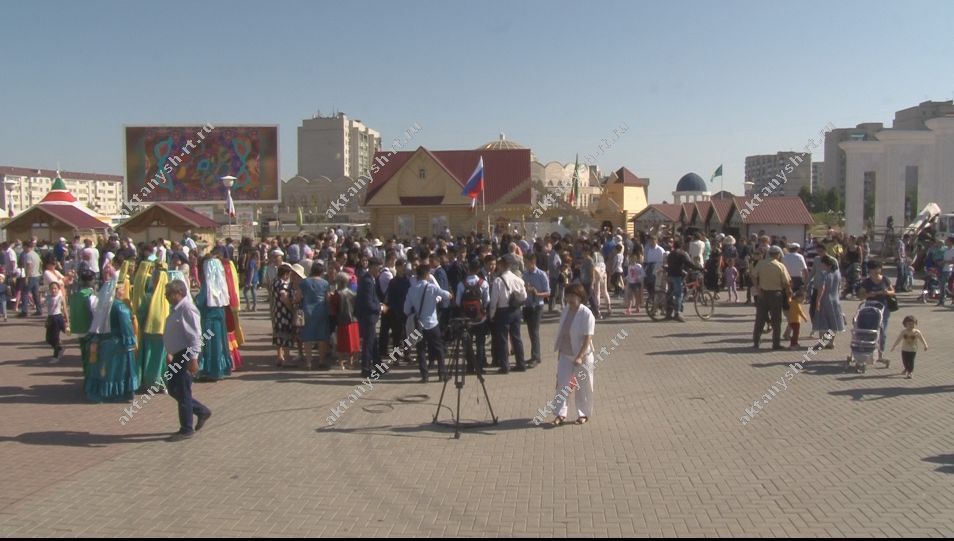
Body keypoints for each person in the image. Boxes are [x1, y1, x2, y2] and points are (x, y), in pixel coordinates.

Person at [162, 278, 212, 441]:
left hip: (185, 355)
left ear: (179, 293)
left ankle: (186, 427)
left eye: (169, 293)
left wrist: (193, 358)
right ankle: (200, 410)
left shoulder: (187, 309)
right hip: (177, 355)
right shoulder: (177, 309)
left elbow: (195, 335)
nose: (166, 296)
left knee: (182, 389)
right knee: (173, 388)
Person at [550, 283, 596, 426]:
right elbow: (562, 333)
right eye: (568, 295)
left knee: (583, 386)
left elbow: (588, 338)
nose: (569, 298)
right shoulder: (565, 310)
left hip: (582, 356)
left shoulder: (586, 313)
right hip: (565, 354)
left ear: (580, 297)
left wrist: (580, 356)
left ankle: (583, 414)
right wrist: (559, 353)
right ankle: (560, 414)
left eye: (572, 296)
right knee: (562, 385)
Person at [85, 279, 139, 403]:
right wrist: (131, 342)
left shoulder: (103, 306)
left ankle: (103, 391)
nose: (123, 292)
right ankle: (117, 393)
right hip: (118, 343)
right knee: (118, 369)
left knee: (105, 369)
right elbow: (126, 326)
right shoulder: (120, 307)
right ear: (116, 291)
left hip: (103, 342)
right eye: (121, 289)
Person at [405, 264, 452, 382]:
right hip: (432, 324)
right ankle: (442, 374)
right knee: (438, 349)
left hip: (418, 325)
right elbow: (446, 296)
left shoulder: (411, 289)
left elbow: (405, 309)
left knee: (420, 350)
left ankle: (424, 376)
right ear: (427, 275)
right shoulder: (432, 288)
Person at [194, 257, 234, 380]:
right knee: (220, 343)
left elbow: (200, 302)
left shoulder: (207, 285)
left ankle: (209, 370)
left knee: (209, 344)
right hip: (219, 317)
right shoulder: (221, 284)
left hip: (208, 319)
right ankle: (219, 368)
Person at [488, 257, 528, 373]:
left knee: (503, 339)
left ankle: (505, 366)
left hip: (502, 311)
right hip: (515, 310)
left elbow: (494, 301)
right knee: (516, 337)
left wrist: (492, 314)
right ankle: (521, 363)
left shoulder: (498, 281)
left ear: (501, 266)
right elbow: (524, 296)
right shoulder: (517, 278)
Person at [752, 245, 792, 350]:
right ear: (778, 255)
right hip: (776, 294)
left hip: (763, 294)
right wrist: (789, 293)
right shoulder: (780, 266)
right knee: (776, 320)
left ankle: (756, 342)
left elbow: (753, 275)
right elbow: (787, 282)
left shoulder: (761, 263)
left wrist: (757, 288)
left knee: (760, 319)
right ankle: (776, 343)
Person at [456, 259, 490, 374]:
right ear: (478, 269)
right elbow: (487, 300)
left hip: (466, 320)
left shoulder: (461, 284)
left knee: (467, 344)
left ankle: (470, 367)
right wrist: (483, 308)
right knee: (480, 343)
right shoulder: (483, 283)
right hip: (480, 319)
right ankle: (479, 367)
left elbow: (457, 302)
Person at [858, 260, 896, 359]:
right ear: (869, 270)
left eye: (877, 269)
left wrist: (886, 292)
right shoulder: (866, 282)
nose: (875, 271)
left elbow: (893, 292)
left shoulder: (885, 280)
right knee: (871, 330)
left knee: (882, 330)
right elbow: (861, 296)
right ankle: (869, 350)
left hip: (884, 308)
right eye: (873, 269)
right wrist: (869, 294)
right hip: (871, 308)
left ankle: (880, 352)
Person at [356, 257, 385, 379]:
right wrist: (380, 308)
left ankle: (378, 365)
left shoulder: (371, 280)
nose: (380, 270)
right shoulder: (367, 281)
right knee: (368, 343)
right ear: (372, 267)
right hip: (367, 317)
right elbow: (368, 302)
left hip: (369, 316)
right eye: (378, 267)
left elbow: (373, 298)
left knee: (373, 342)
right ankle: (366, 368)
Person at [299, 263, 331, 370]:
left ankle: (308, 362)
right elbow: (327, 298)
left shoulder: (304, 282)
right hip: (321, 310)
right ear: (321, 272)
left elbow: (298, 296)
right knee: (322, 337)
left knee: (307, 337)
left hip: (307, 310)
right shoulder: (325, 283)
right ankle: (321, 361)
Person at [522, 254, 550, 368]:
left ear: (533, 262)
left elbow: (548, 292)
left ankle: (536, 357)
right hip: (527, 305)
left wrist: (537, 293)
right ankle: (534, 355)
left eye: (526, 262)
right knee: (530, 331)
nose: (525, 264)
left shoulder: (541, 274)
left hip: (537, 305)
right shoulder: (525, 274)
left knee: (534, 331)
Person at [812, 256, 846, 348]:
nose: (821, 265)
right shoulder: (837, 273)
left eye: (822, 263)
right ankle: (831, 342)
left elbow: (822, 287)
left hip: (825, 299)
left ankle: (821, 343)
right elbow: (840, 286)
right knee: (833, 322)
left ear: (827, 265)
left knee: (822, 322)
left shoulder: (824, 274)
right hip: (835, 299)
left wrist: (818, 300)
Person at [665, 239, 698, 322]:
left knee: (670, 293)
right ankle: (677, 313)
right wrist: (698, 268)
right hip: (677, 276)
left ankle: (668, 312)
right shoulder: (681, 253)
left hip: (670, 275)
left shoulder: (671, 254)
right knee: (678, 295)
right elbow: (689, 263)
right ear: (681, 245)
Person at [333, 271, 360, 370]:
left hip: (342, 320)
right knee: (352, 343)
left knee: (341, 343)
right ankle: (350, 362)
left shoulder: (337, 294)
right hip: (353, 320)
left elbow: (334, 308)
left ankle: (341, 363)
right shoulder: (353, 293)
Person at [45, 280, 70, 363]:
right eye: (52, 289)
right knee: (48, 339)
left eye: (55, 288)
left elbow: (65, 310)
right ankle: (60, 348)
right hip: (50, 318)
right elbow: (48, 308)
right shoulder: (48, 297)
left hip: (58, 317)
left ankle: (55, 357)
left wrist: (67, 321)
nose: (53, 290)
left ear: (58, 289)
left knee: (55, 338)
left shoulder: (60, 298)